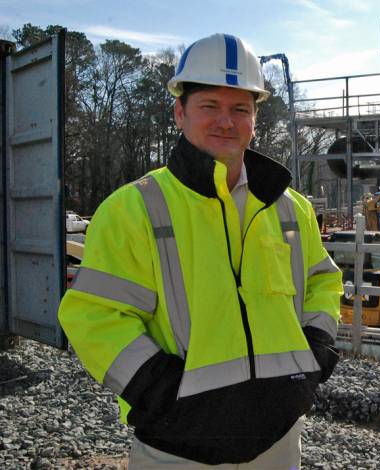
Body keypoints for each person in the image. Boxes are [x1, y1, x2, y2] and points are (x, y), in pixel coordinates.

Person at [58, 33, 343, 468]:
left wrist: (315, 353)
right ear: (180, 112)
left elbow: (323, 281)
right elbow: (94, 314)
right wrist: (160, 392)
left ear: (254, 119)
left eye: (240, 109)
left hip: (279, 441)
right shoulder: (133, 208)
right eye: (209, 106)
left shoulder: (291, 208)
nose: (225, 121)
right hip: (178, 449)